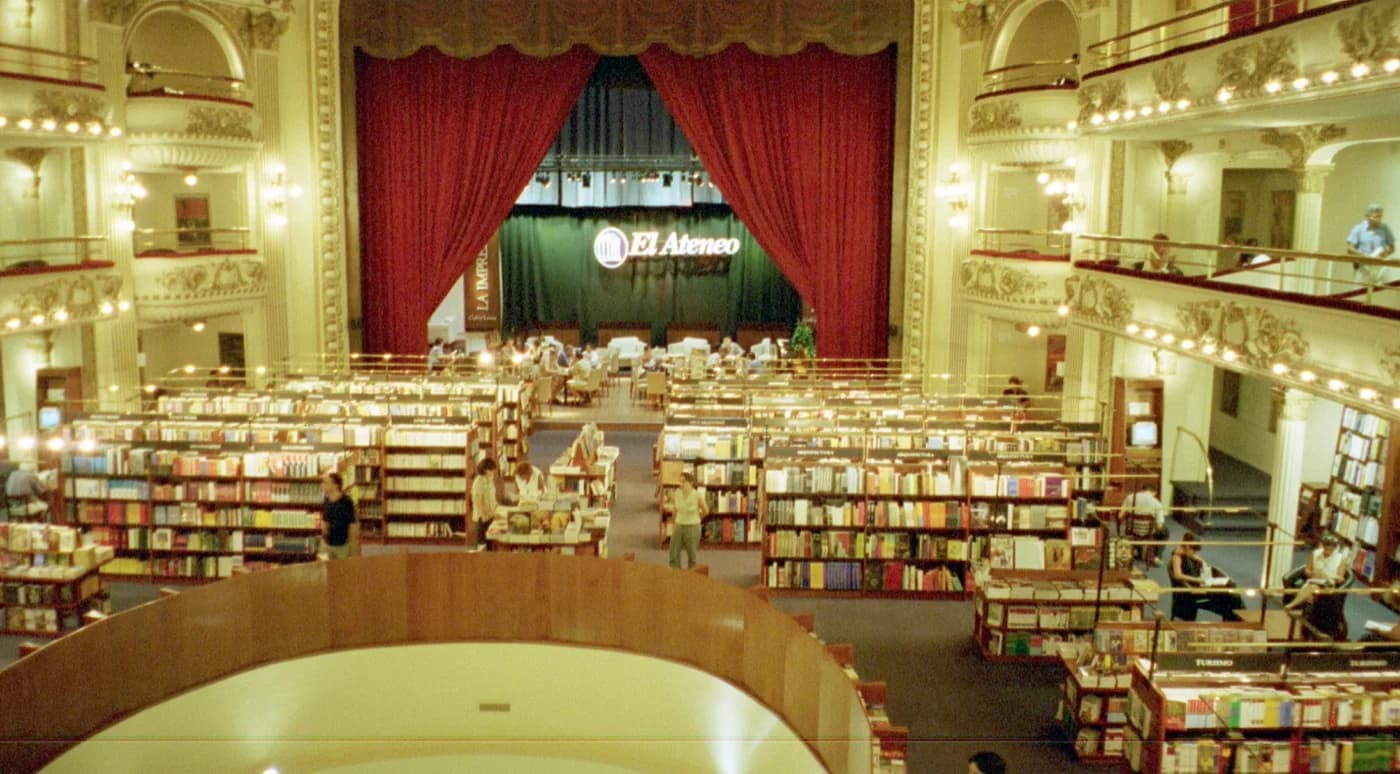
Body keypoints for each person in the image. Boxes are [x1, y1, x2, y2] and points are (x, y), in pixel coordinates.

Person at [1169, 532, 1244, 622]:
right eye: (1194, 550)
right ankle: (1240, 618)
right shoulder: (1177, 557)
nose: (1195, 553)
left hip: (1199, 586)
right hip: (1193, 593)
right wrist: (1197, 579)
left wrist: (1201, 561)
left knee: (1232, 588)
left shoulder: (1186, 552)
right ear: (1188, 546)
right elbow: (1178, 575)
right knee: (1231, 594)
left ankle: (1238, 617)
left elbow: (1199, 560)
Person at [1285, 534, 1348, 610]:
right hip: (1314, 580)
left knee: (1312, 589)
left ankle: (1293, 604)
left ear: (1335, 548)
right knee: (1311, 589)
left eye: (1331, 547)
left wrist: (1337, 578)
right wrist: (1310, 573)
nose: (1328, 548)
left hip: (1328, 584)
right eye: (1326, 546)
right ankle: (1306, 611)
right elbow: (1307, 569)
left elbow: (1341, 578)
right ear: (1323, 545)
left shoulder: (1341, 558)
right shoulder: (1315, 553)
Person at [1346, 203, 1396, 286]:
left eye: (1380, 216)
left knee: (1379, 293)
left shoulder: (1385, 228)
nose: (1379, 219)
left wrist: (1385, 253)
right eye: (1376, 217)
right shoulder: (1358, 228)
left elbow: (1392, 248)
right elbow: (1350, 249)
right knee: (1360, 292)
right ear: (1368, 217)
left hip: (1380, 266)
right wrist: (1364, 256)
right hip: (1363, 267)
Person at [668, 472, 708, 569]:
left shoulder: (697, 495)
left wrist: (697, 519)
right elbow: (675, 510)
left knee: (692, 556)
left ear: (691, 483)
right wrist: (673, 523)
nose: (680, 484)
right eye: (680, 481)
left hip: (692, 527)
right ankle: (676, 575)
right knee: (673, 553)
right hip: (679, 526)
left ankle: (690, 579)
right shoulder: (677, 493)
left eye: (683, 481)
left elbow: (706, 511)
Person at [1122, 487, 1167, 567]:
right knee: (1164, 532)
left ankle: (1138, 551)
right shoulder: (1156, 503)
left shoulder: (1129, 497)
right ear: (1154, 492)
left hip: (1131, 531)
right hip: (1147, 533)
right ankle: (1155, 557)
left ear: (1142, 489)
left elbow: (1120, 516)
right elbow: (1159, 526)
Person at [319, 471, 358, 560]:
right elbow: (325, 521)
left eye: (325, 482)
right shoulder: (326, 500)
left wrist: (353, 548)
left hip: (342, 545)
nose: (322, 485)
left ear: (335, 485)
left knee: (341, 571)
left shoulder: (346, 502)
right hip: (327, 544)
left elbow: (352, 525)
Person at [470, 458, 502, 547]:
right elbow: (478, 503)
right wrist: (490, 514)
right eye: (491, 470)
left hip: (490, 516)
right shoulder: (478, 483)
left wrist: (497, 509)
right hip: (482, 519)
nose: (493, 473)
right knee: (482, 546)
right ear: (484, 470)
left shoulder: (490, 479)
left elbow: (492, 498)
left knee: (490, 545)